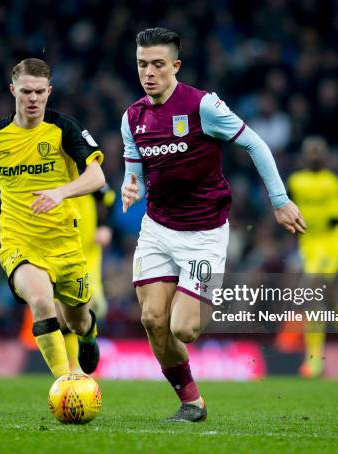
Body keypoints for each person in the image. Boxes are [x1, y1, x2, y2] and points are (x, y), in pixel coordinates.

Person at [121, 28, 306, 422]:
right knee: (153, 320)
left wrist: (280, 201)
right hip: (157, 229)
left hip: (204, 234)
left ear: (175, 66)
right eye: (142, 64)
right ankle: (192, 402)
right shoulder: (133, 116)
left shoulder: (202, 106)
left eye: (157, 64)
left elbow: (255, 143)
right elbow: (134, 165)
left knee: (184, 329)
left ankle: (204, 293)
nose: (149, 73)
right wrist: (129, 185)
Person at [0, 58, 105, 378]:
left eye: (40, 92)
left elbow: (96, 177)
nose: (33, 99)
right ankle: (64, 381)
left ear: (49, 91)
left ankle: (89, 333)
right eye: (26, 91)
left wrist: (61, 192)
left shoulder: (64, 128)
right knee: (41, 303)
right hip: (19, 241)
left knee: (77, 319)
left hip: (65, 243)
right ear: (13, 90)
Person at [279, 136, 338, 378]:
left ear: (326, 155)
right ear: (303, 156)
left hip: (333, 241)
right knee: (322, 298)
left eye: (318, 151)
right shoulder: (295, 181)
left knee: (313, 284)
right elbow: (281, 206)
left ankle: (301, 339)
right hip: (309, 241)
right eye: (310, 151)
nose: (315, 155)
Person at [18, 185, 116, 372]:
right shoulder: (47, 177)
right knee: (60, 314)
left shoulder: (84, 176)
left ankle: (87, 340)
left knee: (87, 305)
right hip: (57, 254)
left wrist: (105, 227)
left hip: (87, 256)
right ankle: (75, 368)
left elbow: (109, 200)